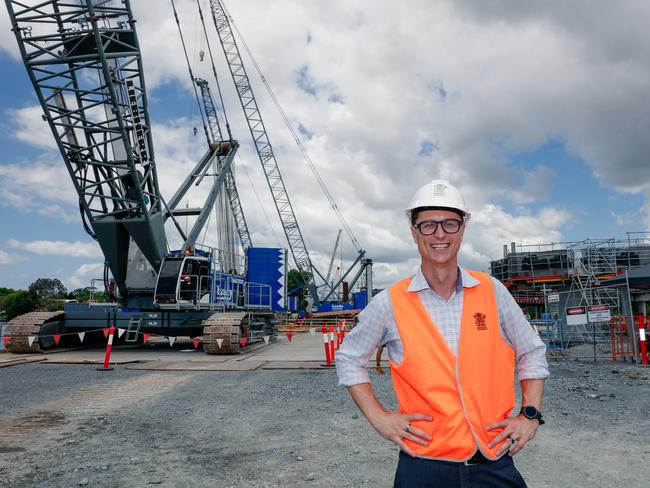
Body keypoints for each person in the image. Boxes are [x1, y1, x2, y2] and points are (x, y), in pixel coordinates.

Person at [336, 180, 549, 487]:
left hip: (492, 462)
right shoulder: (390, 303)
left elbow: (531, 351)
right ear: (413, 232)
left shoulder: (492, 292)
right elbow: (349, 359)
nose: (439, 234)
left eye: (450, 224)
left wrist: (529, 415)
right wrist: (379, 418)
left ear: (462, 230)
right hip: (423, 466)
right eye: (428, 225)